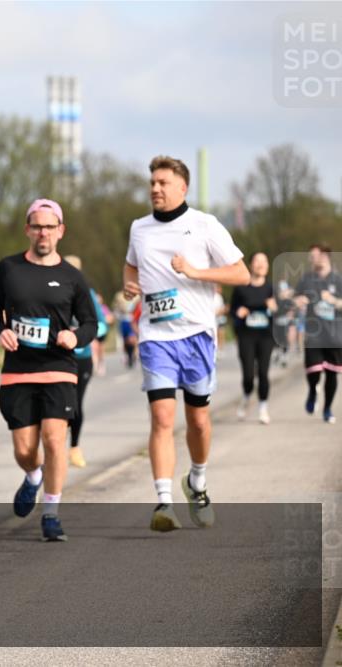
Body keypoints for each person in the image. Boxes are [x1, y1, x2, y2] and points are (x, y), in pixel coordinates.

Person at [123, 155, 249, 532]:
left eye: (163, 183)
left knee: (198, 420)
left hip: (196, 335)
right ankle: (163, 502)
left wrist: (196, 272)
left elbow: (240, 272)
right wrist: (129, 284)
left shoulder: (204, 225)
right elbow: (131, 265)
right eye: (152, 183)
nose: (155, 189)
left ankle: (197, 480)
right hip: (155, 335)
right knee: (162, 417)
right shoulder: (139, 228)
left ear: (182, 187)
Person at [0, 199, 98, 542]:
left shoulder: (72, 277)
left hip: (59, 368)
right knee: (24, 450)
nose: (43, 233)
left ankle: (51, 512)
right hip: (19, 370)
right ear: (27, 230)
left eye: (50, 227)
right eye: (37, 226)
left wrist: (74, 336)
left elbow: (91, 322)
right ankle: (33, 477)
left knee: (54, 439)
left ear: (61, 231)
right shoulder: (8, 269)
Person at [62, 255, 109, 468]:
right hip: (58, 358)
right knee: (58, 404)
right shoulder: (51, 290)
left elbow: (102, 325)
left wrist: (79, 333)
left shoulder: (87, 294)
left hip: (81, 357)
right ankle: (55, 447)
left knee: (75, 404)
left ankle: (74, 447)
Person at [292, 244, 342, 424]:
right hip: (313, 335)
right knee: (313, 370)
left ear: (326, 256)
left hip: (335, 336)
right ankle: (313, 390)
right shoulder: (307, 279)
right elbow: (296, 297)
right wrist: (299, 300)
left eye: (316, 256)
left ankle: (327, 408)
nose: (313, 259)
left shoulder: (338, 279)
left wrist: (335, 301)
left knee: (331, 374)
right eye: (311, 256)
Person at [231, 252, 277, 424]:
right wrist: (238, 313)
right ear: (250, 265)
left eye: (264, 261)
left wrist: (275, 308)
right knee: (249, 375)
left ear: (267, 266)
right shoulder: (241, 287)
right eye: (257, 261)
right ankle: (246, 396)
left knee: (264, 372)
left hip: (266, 336)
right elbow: (232, 311)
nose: (261, 264)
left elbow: (280, 313)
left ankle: (263, 408)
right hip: (246, 336)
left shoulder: (272, 289)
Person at [112, 289, 139, 368]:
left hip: (132, 320)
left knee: (132, 339)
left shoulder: (136, 295)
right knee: (125, 340)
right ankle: (128, 356)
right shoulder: (119, 295)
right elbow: (115, 307)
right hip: (123, 320)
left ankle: (135, 356)